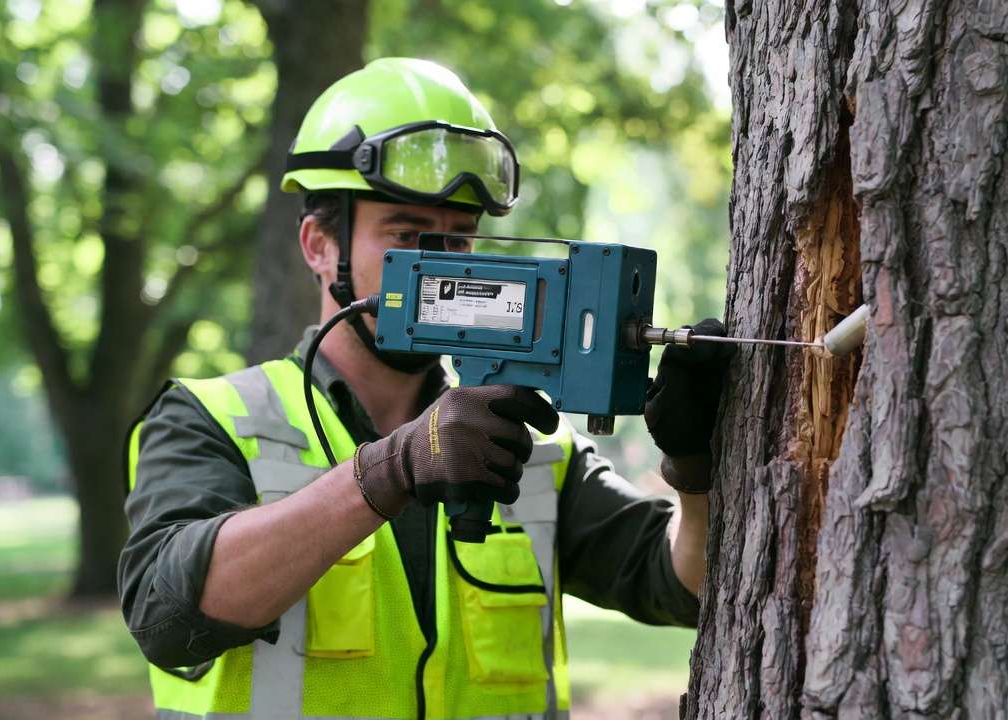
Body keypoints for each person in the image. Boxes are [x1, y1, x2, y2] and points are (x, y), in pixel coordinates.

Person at [118, 57, 730, 720]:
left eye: (458, 239)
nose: (440, 264)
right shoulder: (211, 419)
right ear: (319, 245)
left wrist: (693, 473)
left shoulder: (533, 446)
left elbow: (689, 587)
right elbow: (165, 615)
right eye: (408, 235)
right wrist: (391, 468)